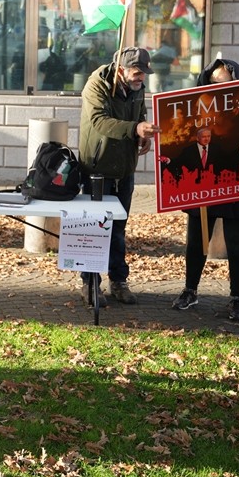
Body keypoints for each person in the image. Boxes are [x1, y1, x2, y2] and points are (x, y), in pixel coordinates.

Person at [171, 58, 239, 323]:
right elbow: (181, 137)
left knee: (237, 246)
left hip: (238, 188)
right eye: (213, 82)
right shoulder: (196, 109)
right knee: (196, 243)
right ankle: (190, 290)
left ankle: (237, 297)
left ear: (235, 81)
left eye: (224, 82)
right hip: (205, 187)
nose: (218, 86)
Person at [77, 46, 159, 307]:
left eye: (145, 73)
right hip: (97, 168)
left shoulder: (137, 87)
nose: (141, 78)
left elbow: (140, 113)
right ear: (121, 70)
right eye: (136, 72)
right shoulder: (96, 85)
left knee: (119, 229)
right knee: (94, 229)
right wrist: (135, 129)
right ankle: (90, 282)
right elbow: (99, 121)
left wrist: (143, 134)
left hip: (125, 168)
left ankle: (118, 280)